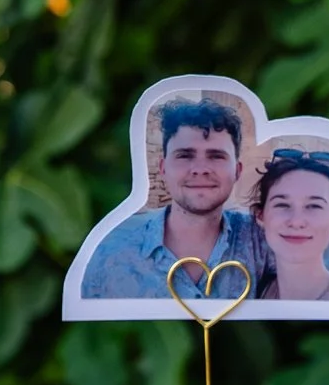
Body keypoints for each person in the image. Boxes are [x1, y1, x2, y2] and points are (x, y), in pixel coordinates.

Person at [79, 97, 269, 298]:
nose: (200, 169)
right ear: (163, 168)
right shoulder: (111, 254)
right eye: (185, 155)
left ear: (237, 170)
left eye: (216, 156)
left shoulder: (261, 240)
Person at [252, 148, 329, 302]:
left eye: (314, 206)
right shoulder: (258, 289)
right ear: (260, 215)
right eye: (282, 205)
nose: (296, 222)